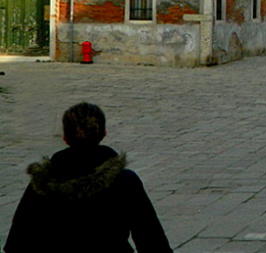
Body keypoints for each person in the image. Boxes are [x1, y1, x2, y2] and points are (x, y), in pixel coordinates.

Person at [4, 102, 172, 253]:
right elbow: (152, 241)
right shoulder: (125, 180)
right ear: (103, 133)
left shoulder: (43, 181)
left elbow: (17, 243)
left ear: (65, 138)